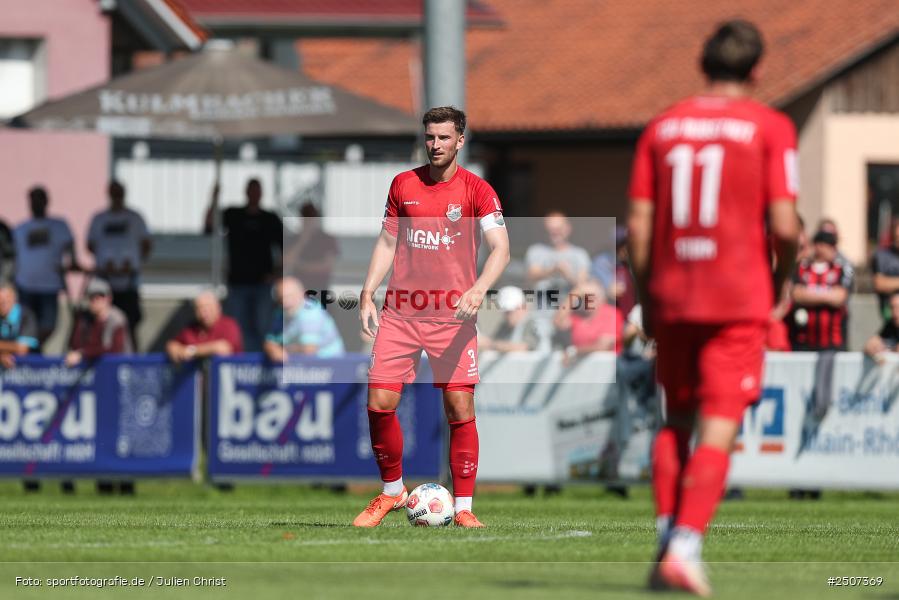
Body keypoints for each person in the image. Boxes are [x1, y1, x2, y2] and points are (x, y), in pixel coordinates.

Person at [628, 20, 799, 595]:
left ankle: (663, 542)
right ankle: (684, 545)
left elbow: (639, 228)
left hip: (675, 292)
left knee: (674, 420)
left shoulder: (662, 127)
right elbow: (783, 224)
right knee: (719, 428)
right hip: (737, 295)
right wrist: (785, 278)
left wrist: (649, 297)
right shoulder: (770, 126)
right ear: (757, 69)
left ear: (702, 65)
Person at [355, 106, 510, 528]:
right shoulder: (403, 184)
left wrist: (478, 289)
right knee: (379, 402)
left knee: (459, 406)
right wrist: (368, 292)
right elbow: (387, 244)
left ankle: (463, 509)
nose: (436, 145)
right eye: (430, 137)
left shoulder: (478, 191)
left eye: (444, 137)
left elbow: (501, 248)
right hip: (402, 314)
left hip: (453, 319)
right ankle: (392, 492)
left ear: (460, 140)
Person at [205, 178, 283, 353]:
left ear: (261, 194)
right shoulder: (234, 214)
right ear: (246, 192)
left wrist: (276, 274)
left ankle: (261, 364)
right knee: (237, 327)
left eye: (257, 190)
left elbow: (286, 248)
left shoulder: (270, 218)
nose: (254, 194)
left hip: (263, 284)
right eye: (251, 190)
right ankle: (241, 363)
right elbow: (210, 226)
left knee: (263, 326)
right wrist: (213, 199)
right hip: (237, 282)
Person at [87, 181, 151, 348]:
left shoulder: (135, 217)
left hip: (128, 281)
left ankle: (133, 359)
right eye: (113, 193)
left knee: (130, 324)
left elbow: (146, 245)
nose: (116, 197)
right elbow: (90, 245)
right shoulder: (99, 218)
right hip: (105, 281)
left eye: (119, 193)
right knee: (103, 322)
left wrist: (130, 265)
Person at [13, 186, 80, 347]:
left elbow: (70, 245)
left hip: (49, 285)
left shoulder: (59, 225)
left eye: (39, 199)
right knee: (26, 326)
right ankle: (32, 351)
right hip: (25, 285)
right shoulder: (21, 228)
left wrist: (74, 262)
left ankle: (34, 348)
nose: (36, 203)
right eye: (33, 199)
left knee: (49, 325)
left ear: (46, 201)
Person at [788, 230, 853, 351]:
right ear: (818, 246)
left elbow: (840, 297)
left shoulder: (844, 269)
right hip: (803, 341)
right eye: (830, 245)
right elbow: (796, 294)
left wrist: (809, 294)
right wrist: (828, 294)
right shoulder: (801, 268)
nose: (834, 250)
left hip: (834, 342)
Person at [264, 277, 344, 362]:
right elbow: (269, 341)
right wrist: (273, 349)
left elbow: (309, 350)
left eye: (290, 296)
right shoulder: (280, 313)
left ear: (302, 294)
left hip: (330, 367)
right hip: (302, 367)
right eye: (281, 298)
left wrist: (282, 349)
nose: (285, 302)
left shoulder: (311, 313)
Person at [65, 278, 133, 367]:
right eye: (92, 297)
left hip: (117, 369)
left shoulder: (117, 319)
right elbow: (74, 345)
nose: (95, 300)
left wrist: (83, 353)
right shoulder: (84, 318)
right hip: (89, 368)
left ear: (109, 298)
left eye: (100, 296)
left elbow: (114, 350)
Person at [554, 279, 623, 364]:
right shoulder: (578, 315)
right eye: (584, 297)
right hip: (583, 371)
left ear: (602, 298)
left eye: (592, 297)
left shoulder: (611, 313)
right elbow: (558, 321)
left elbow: (604, 346)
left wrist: (574, 351)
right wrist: (575, 293)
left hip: (606, 369)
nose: (588, 301)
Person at [526, 211, 590, 301]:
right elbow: (531, 276)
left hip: (570, 308)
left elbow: (583, 286)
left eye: (559, 229)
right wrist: (553, 270)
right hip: (540, 308)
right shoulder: (536, 250)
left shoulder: (580, 254)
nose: (555, 232)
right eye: (551, 229)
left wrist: (567, 274)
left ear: (568, 228)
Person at [166, 290, 243, 363]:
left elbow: (223, 349)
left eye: (208, 308)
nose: (204, 313)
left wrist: (191, 351)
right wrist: (176, 349)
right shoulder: (192, 328)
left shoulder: (229, 324)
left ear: (218, 308)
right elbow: (173, 345)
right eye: (199, 308)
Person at [283, 203, 339, 296]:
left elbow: (327, 266)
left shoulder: (327, 239)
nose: (308, 219)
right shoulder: (294, 238)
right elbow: (286, 261)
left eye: (311, 216)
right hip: (298, 292)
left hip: (320, 289)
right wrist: (303, 240)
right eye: (306, 216)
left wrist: (301, 266)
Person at [478, 286, 547, 353]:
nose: (508, 316)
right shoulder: (505, 326)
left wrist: (490, 344)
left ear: (523, 306)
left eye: (511, 311)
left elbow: (525, 348)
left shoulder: (533, 324)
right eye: (506, 312)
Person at [0, 282, 39, 370]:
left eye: (5, 300)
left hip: (30, 372)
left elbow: (22, 349)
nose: (1, 303)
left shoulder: (26, 315)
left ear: (14, 298)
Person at [872, 219, 899, 321]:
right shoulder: (882, 256)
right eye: (897, 238)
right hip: (889, 313)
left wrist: (892, 282)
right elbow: (880, 284)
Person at [864, 292, 899, 363]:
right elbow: (873, 343)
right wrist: (873, 348)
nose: (895, 313)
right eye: (892, 307)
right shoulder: (890, 326)